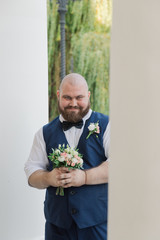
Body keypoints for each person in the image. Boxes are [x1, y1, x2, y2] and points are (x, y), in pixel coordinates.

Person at [24, 73, 110, 240]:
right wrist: (49, 177)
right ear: (58, 95)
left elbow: (121, 165)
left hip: (97, 225)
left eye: (79, 97)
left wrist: (84, 177)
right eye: (67, 97)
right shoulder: (44, 133)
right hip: (57, 227)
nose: (73, 103)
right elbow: (31, 172)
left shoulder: (107, 126)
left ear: (88, 95)